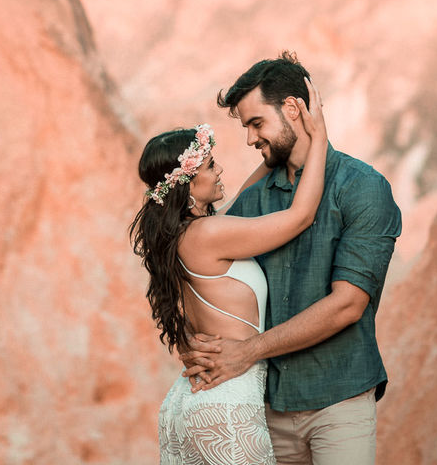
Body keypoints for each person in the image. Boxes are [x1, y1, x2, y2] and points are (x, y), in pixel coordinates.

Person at [182, 52, 401, 465]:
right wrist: (200, 345)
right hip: (267, 406)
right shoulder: (256, 200)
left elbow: (348, 305)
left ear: (294, 109)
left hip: (340, 403)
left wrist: (246, 352)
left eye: (256, 123)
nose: (250, 139)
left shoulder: (363, 189)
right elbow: (210, 261)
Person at [130, 77, 328, 465]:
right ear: (186, 186)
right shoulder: (209, 234)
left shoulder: (186, 235)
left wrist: (279, 149)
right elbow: (301, 216)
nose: (219, 170)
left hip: (190, 402)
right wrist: (318, 137)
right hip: (228, 405)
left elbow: (248, 187)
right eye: (209, 166)